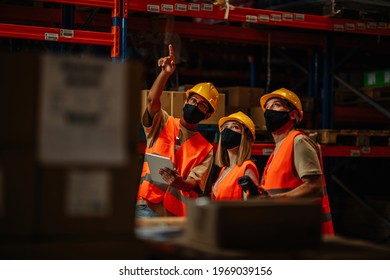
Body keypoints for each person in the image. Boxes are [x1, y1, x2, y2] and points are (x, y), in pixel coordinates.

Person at [137, 44, 220, 218]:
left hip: (174, 215)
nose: (195, 105)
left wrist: (179, 182)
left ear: (208, 115)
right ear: (185, 102)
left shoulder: (206, 150)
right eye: (193, 100)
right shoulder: (163, 122)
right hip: (145, 206)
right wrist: (165, 73)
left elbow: (193, 183)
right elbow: (152, 101)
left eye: (202, 105)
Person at [258, 87, 334, 235]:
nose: (269, 110)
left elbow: (314, 189)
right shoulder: (278, 150)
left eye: (276, 105)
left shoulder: (298, 141)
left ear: (292, 115)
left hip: (304, 233)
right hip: (287, 229)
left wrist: (274, 200)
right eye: (267, 107)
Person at [211, 111, 259, 200]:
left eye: (235, 127)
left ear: (245, 137)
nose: (228, 130)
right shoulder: (224, 170)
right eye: (225, 127)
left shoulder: (247, 168)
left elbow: (250, 207)